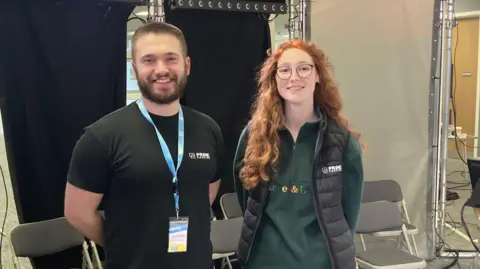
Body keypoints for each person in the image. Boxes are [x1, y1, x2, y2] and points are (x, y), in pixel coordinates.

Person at [64, 22, 224, 269]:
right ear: (134, 68)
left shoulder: (208, 129)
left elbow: (206, 194)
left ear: (187, 65)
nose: (161, 69)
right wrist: (123, 242)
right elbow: (77, 212)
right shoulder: (102, 136)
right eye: (149, 60)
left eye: (171, 58)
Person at [233, 39, 364, 269]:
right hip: (262, 261)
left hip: (321, 262)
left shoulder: (342, 141)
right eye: (284, 70)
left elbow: (348, 212)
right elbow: (246, 198)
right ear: (275, 78)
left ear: (318, 76)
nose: (294, 77)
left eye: (304, 68)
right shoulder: (254, 136)